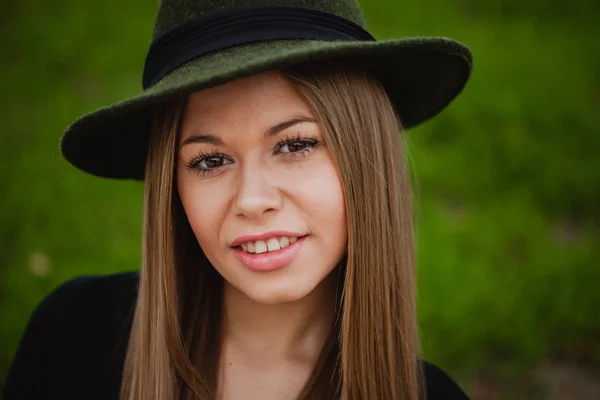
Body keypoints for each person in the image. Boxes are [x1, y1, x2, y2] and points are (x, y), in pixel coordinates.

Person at [2, 0, 473, 399]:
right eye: (209, 161)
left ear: (365, 154)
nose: (252, 200)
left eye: (295, 145)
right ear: (171, 185)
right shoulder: (72, 337)